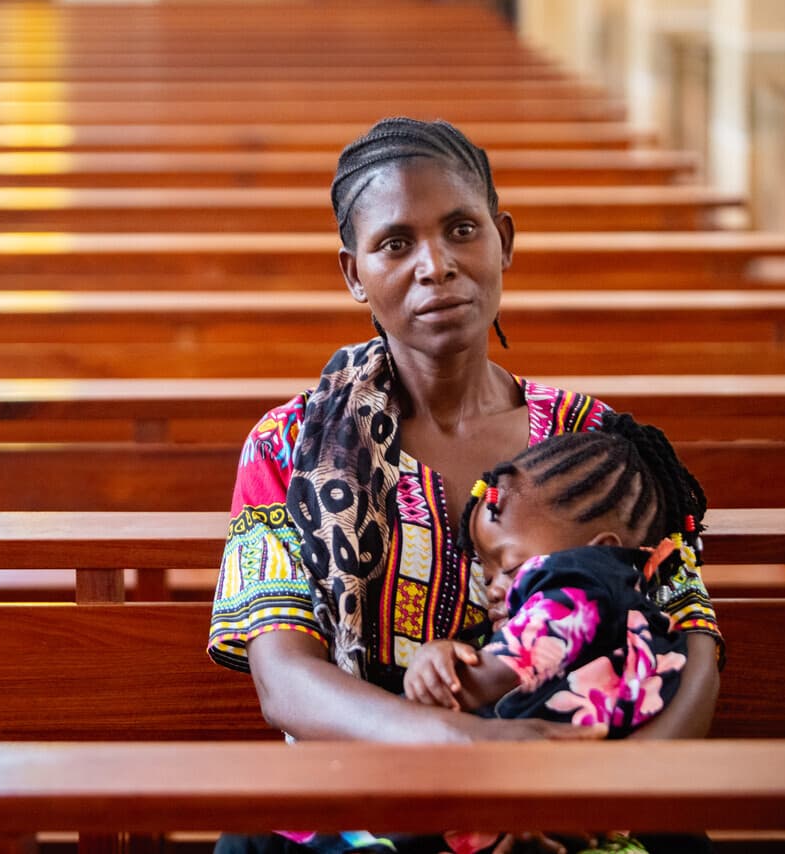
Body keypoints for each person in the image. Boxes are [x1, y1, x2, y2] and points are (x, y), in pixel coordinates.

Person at [206, 118, 722, 854]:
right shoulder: (288, 448)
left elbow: (692, 642)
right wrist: (472, 749)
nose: (436, 265)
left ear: (503, 240)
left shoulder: (594, 443)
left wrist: (611, 786)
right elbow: (284, 679)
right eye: (395, 243)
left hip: (585, 784)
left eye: (460, 230)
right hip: (368, 794)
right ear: (354, 273)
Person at [401, 413, 715, 854]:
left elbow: (471, 687)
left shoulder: (576, 586)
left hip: (568, 813)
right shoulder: (636, 616)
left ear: (601, 552)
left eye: (507, 566)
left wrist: (430, 667)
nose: (491, 587)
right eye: (485, 571)